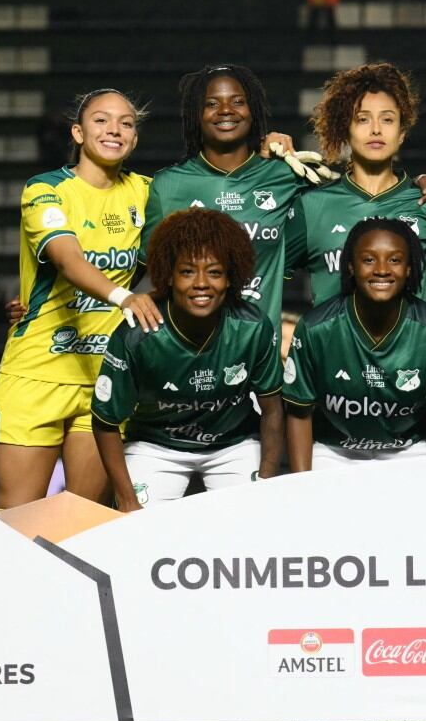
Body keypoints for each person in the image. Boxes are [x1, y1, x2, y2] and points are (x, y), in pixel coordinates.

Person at [0, 88, 162, 509]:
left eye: (126, 123)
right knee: (17, 522)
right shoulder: (45, 189)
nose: (114, 129)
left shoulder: (149, 193)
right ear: (79, 133)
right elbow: (67, 259)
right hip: (34, 375)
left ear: (135, 139)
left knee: (84, 524)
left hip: (105, 379)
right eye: (101, 120)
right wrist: (125, 297)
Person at [91, 209, 284, 511]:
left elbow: (273, 409)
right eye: (187, 271)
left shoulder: (252, 326)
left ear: (231, 279)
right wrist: (127, 500)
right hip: (156, 446)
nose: (202, 283)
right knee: (139, 530)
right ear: (168, 276)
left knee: (253, 524)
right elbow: (105, 423)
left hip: (232, 445)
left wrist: (267, 480)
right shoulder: (138, 334)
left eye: (215, 272)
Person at [284, 62, 426, 306]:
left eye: (387, 120)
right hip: (335, 344)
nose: (376, 130)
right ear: (345, 130)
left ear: (401, 134)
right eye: (362, 119)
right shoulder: (311, 207)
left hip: (410, 344)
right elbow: (263, 274)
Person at [138, 65, 310, 339]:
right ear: (197, 115)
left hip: (258, 350)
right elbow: (150, 275)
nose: (226, 110)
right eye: (212, 104)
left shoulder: (286, 175)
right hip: (189, 352)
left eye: (238, 102)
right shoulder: (168, 185)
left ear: (253, 111)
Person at [282, 218, 426, 469]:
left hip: (410, 449)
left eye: (395, 260)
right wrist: (301, 483)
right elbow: (299, 414)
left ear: (410, 268)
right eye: (368, 260)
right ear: (351, 267)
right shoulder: (315, 328)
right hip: (336, 450)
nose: (382, 269)